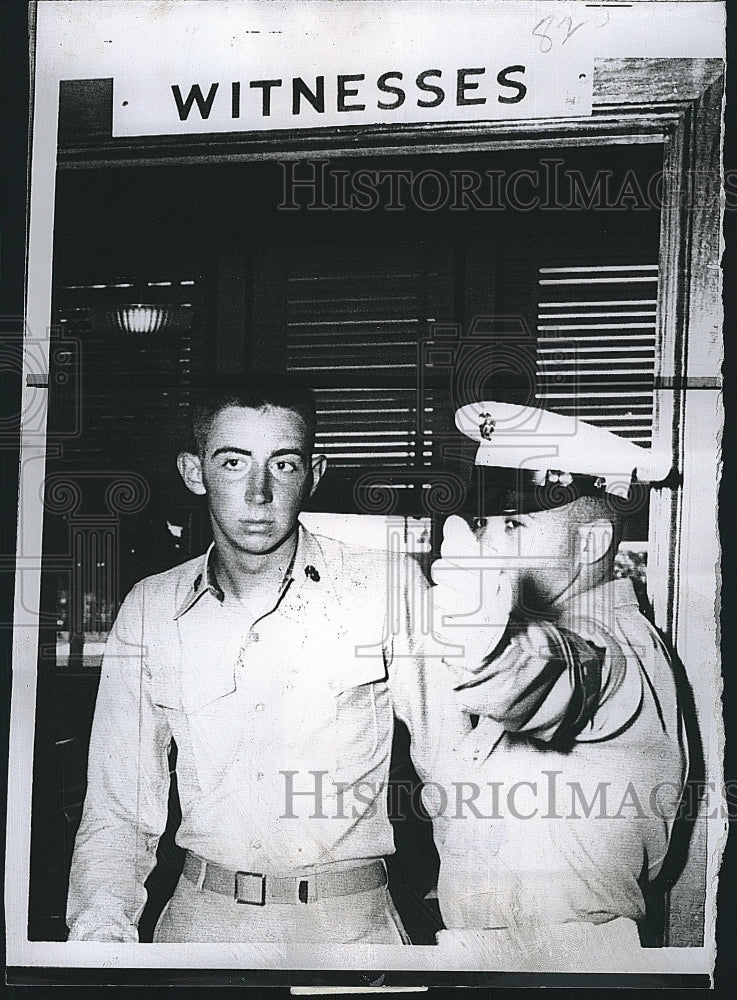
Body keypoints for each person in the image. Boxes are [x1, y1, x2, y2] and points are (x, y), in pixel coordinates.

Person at [65, 374, 477, 945]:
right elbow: (117, 807)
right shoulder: (151, 609)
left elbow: (456, 773)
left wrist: (478, 933)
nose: (259, 493)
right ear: (193, 471)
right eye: (233, 463)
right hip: (203, 930)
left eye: (283, 464)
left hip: (351, 933)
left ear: (315, 473)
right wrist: (98, 944)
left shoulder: (386, 586)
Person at [425, 401, 688, 962]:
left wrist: (483, 645)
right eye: (485, 523)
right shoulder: (545, 627)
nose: (492, 543)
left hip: (567, 957)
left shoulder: (617, 648)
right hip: (488, 953)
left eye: (515, 524)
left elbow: (555, 671)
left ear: (591, 544)